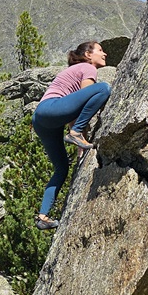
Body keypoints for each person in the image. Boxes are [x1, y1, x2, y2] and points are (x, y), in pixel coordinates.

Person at [31, 40, 110, 230]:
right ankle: (74, 134)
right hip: (52, 108)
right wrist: (76, 133)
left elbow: (73, 111)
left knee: (61, 169)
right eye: (100, 50)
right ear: (88, 55)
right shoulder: (87, 67)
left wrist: (79, 146)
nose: (105, 53)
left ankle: (43, 216)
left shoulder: (76, 70)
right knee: (103, 88)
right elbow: (85, 98)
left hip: (42, 119)